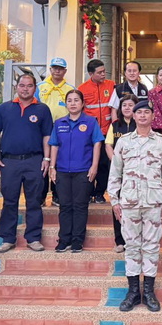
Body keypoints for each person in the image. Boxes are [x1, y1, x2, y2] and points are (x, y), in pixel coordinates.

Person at [108, 100, 162, 312]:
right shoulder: (124, 142)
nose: (143, 115)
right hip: (129, 202)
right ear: (133, 116)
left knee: (152, 246)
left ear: (153, 116)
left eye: (147, 112)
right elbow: (115, 173)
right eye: (139, 113)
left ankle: (149, 292)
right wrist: (114, 201)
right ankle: (133, 292)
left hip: (154, 202)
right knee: (132, 246)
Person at [0, 74, 52, 253]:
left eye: (29, 86)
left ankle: (33, 238)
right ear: (16, 87)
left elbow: (47, 136)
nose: (25, 89)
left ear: (35, 88)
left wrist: (47, 159)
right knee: (9, 201)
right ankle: (7, 239)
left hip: (34, 161)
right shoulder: (4, 108)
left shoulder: (42, 109)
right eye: (22, 85)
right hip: (9, 162)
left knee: (34, 201)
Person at [49, 89, 104, 253]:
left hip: (83, 170)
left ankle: (77, 241)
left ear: (82, 103)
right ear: (66, 104)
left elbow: (97, 144)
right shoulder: (59, 123)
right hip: (62, 171)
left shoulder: (91, 122)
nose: (73, 103)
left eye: (76, 100)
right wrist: (52, 167)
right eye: (69, 100)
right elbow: (54, 145)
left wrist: (94, 166)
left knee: (80, 206)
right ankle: (64, 240)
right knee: (65, 206)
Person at [36, 57, 74, 207]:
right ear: (50, 69)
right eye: (55, 68)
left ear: (65, 71)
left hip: (62, 128)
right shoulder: (39, 87)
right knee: (43, 161)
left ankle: (57, 196)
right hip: (41, 129)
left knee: (59, 161)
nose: (57, 71)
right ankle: (41, 196)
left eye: (60, 68)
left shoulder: (70, 88)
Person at [104, 94, 139, 253]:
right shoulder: (115, 125)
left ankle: (135, 240)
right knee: (118, 205)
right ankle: (120, 241)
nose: (127, 108)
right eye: (124, 105)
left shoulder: (140, 124)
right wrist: (117, 163)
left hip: (136, 172)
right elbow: (108, 145)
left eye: (130, 105)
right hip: (118, 172)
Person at [79, 59, 116, 204]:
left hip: (107, 131)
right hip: (89, 132)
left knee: (104, 164)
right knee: (89, 163)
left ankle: (100, 193)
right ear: (91, 74)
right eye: (99, 72)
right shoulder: (83, 88)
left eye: (104, 71)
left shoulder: (111, 85)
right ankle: (88, 193)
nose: (103, 74)